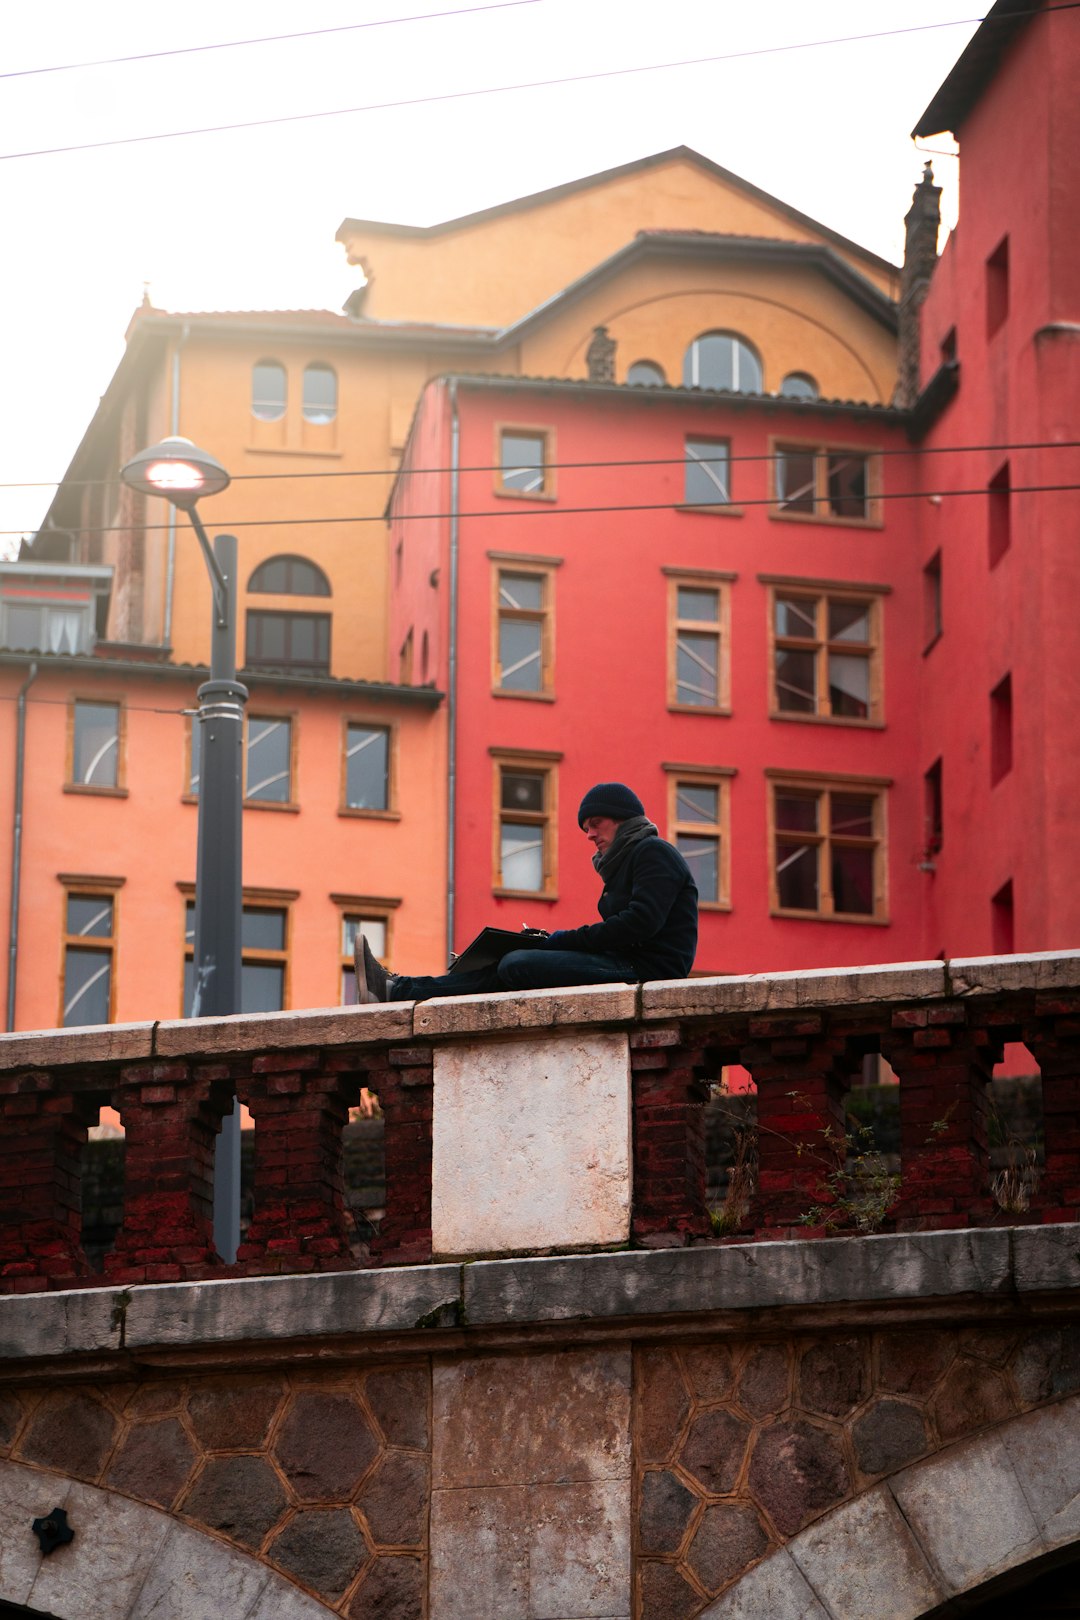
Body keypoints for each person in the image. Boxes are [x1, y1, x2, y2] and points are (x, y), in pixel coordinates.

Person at [354, 782, 698, 1003]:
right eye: (585, 828)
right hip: (627, 962)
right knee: (508, 963)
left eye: (595, 824)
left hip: (649, 971)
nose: (589, 834)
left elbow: (640, 923)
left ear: (622, 819)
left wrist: (560, 940)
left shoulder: (654, 852)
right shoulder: (629, 862)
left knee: (519, 963)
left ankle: (398, 990)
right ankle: (398, 990)